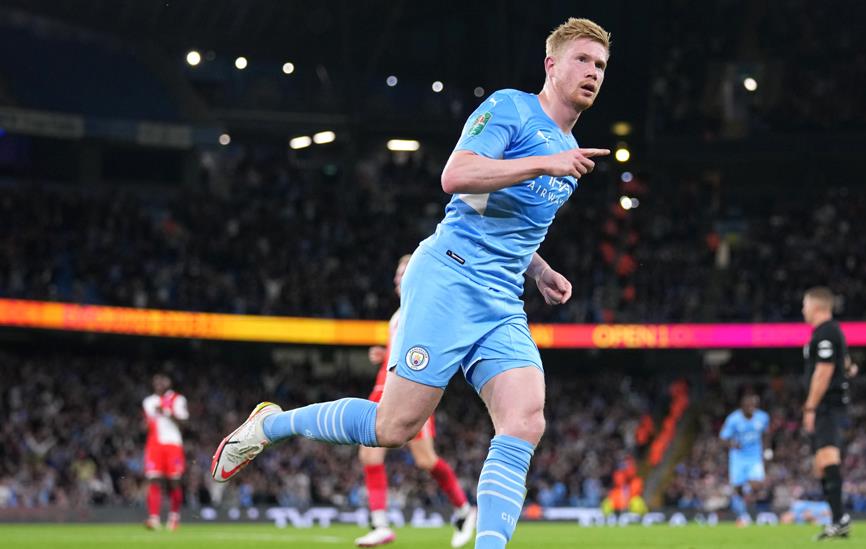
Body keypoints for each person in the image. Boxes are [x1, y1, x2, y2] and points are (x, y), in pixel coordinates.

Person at [211, 17, 612, 549]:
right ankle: (269, 426)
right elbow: (457, 176)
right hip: (450, 277)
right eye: (582, 59)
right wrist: (544, 163)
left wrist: (539, 270)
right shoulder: (512, 110)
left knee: (525, 419)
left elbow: (500, 217)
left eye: (600, 65)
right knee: (392, 429)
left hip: (501, 299)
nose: (592, 72)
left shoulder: (570, 151)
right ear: (551, 65)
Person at [355, 254, 476, 548]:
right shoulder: (400, 313)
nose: (397, 278)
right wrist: (385, 355)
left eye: (403, 272)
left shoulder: (423, 308)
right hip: (386, 388)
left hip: (407, 392)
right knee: (371, 455)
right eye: (397, 274)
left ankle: (464, 509)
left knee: (424, 460)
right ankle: (381, 524)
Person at [801, 287, 856, 540]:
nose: (803, 310)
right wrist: (848, 368)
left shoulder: (826, 332)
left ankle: (840, 519)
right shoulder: (829, 333)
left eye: (805, 305)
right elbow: (843, 362)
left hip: (827, 406)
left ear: (817, 306)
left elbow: (823, 372)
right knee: (821, 465)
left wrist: (810, 407)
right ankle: (838, 519)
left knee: (827, 458)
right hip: (827, 405)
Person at [143, 373, 189, 531]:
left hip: (173, 444)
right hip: (154, 445)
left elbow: (184, 423)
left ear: (168, 382)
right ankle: (154, 519)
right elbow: (148, 423)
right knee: (154, 479)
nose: (159, 383)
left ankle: (174, 517)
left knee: (174, 481)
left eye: (162, 380)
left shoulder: (177, 399)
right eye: (156, 381)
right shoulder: (148, 401)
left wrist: (166, 412)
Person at [719, 393, 771, 525]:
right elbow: (723, 438)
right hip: (738, 457)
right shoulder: (733, 419)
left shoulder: (763, 417)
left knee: (757, 484)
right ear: (742, 407)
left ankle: (747, 492)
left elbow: (766, 434)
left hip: (755, 456)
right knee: (737, 488)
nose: (752, 408)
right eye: (749, 406)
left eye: (754, 405)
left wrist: (767, 451)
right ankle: (743, 515)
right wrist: (732, 444)